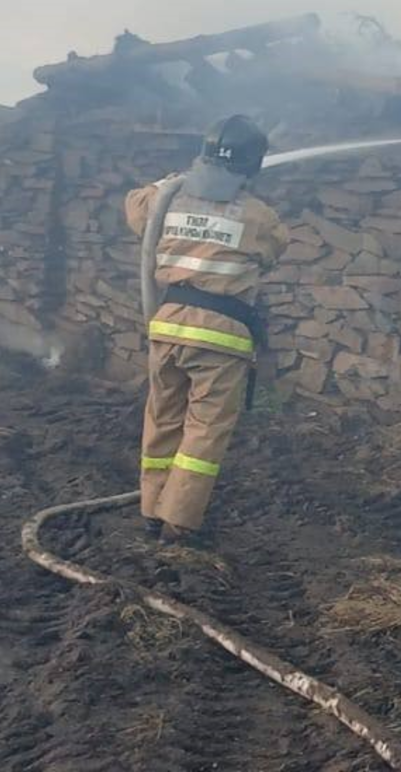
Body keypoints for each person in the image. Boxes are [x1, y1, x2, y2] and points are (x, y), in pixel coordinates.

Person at [124, 115, 288, 546]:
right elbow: (273, 251)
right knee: (204, 428)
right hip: (221, 338)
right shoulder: (259, 216)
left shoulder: (166, 199)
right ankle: (179, 524)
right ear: (252, 166)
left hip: (168, 327)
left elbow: (134, 206)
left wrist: (170, 182)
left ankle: (151, 512)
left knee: (162, 419)